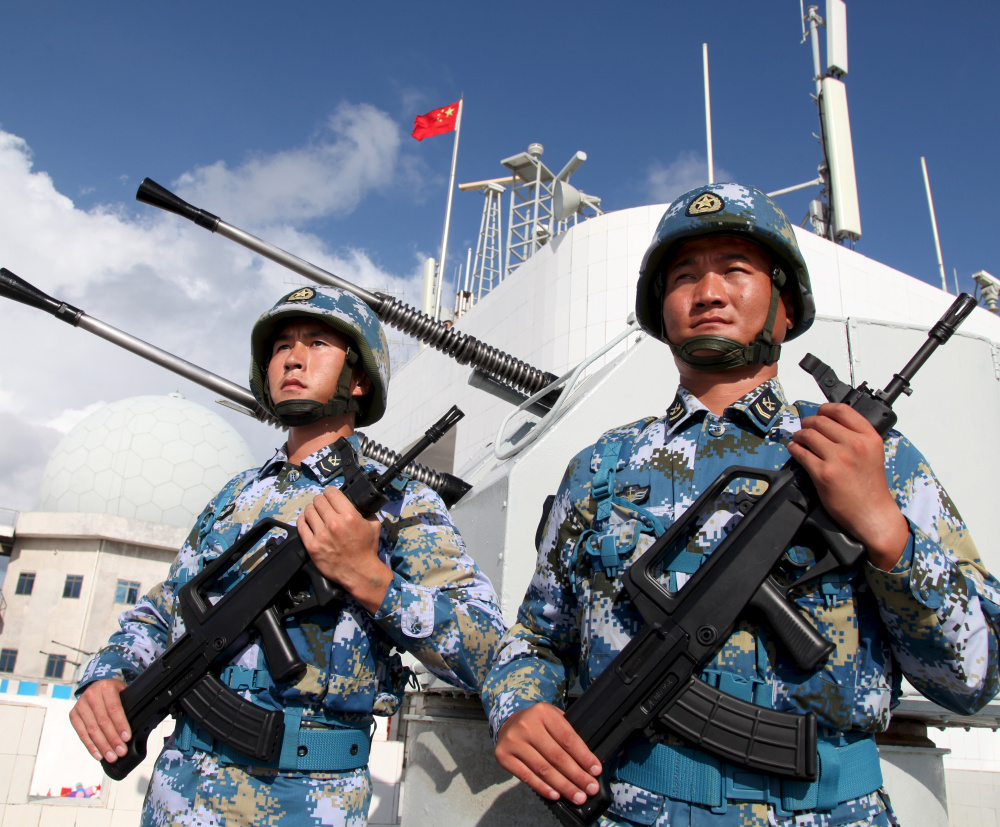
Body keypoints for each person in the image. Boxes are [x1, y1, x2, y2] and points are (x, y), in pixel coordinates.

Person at [481, 183, 1000, 826]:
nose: (708, 292)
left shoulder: (871, 457)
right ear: (660, 310)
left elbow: (973, 678)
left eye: (735, 270)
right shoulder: (601, 468)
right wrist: (518, 704)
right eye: (684, 277)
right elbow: (537, 639)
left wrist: (886, 530)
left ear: (785, 307)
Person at [71, 285, 505, 826]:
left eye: (316, 343)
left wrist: (371, 579)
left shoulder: (402, 505)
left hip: (304, 802)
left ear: (359, 378)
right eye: (281, 346)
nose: (292, 358)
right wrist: (109, 672)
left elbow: (490, 651)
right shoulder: (233, 498)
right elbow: (165, 610)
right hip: (178, 796)